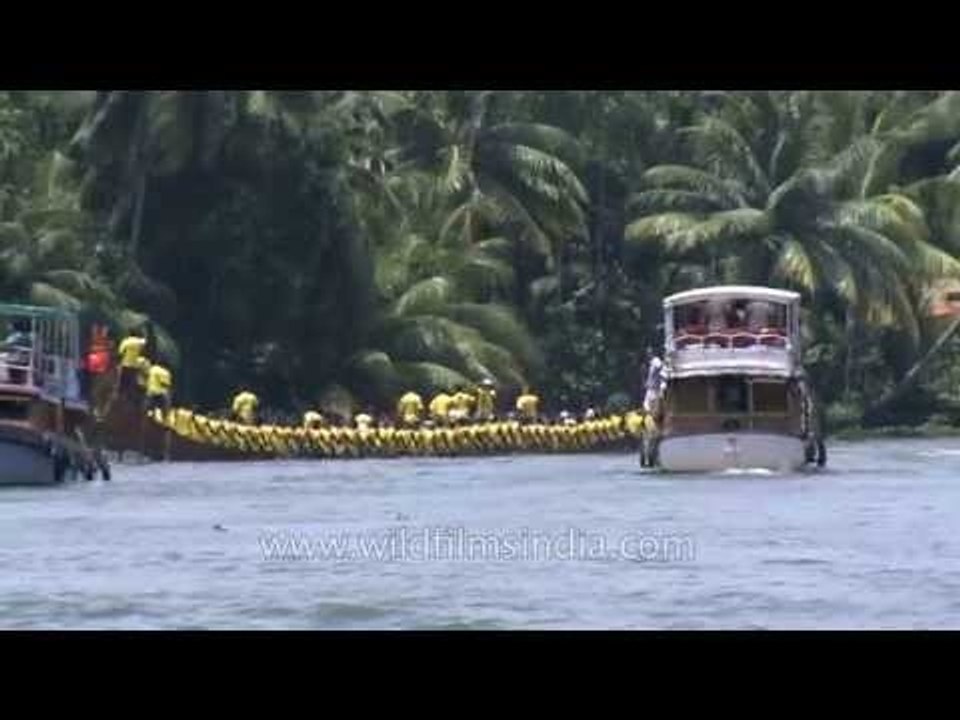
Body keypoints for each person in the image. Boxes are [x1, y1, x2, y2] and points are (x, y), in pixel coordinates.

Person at [117, 329, 148, 399]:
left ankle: (120, 394)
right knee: (135, 382)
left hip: (126, 364)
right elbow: (146, 341)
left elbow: (120, 352)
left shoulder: (126, 341)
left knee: (122, 382)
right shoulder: (140, 341)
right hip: (135, 365)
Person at [642, 346, 664, 414]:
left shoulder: (656, 360)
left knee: (650, 405)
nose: (648, 354)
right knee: (646, 405)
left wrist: (658, 380)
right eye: (647, 352)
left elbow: (660, 366)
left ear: (653, 353)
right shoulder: (650, 362)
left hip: (654, 388)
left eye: (650, 352)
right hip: (650, 387)